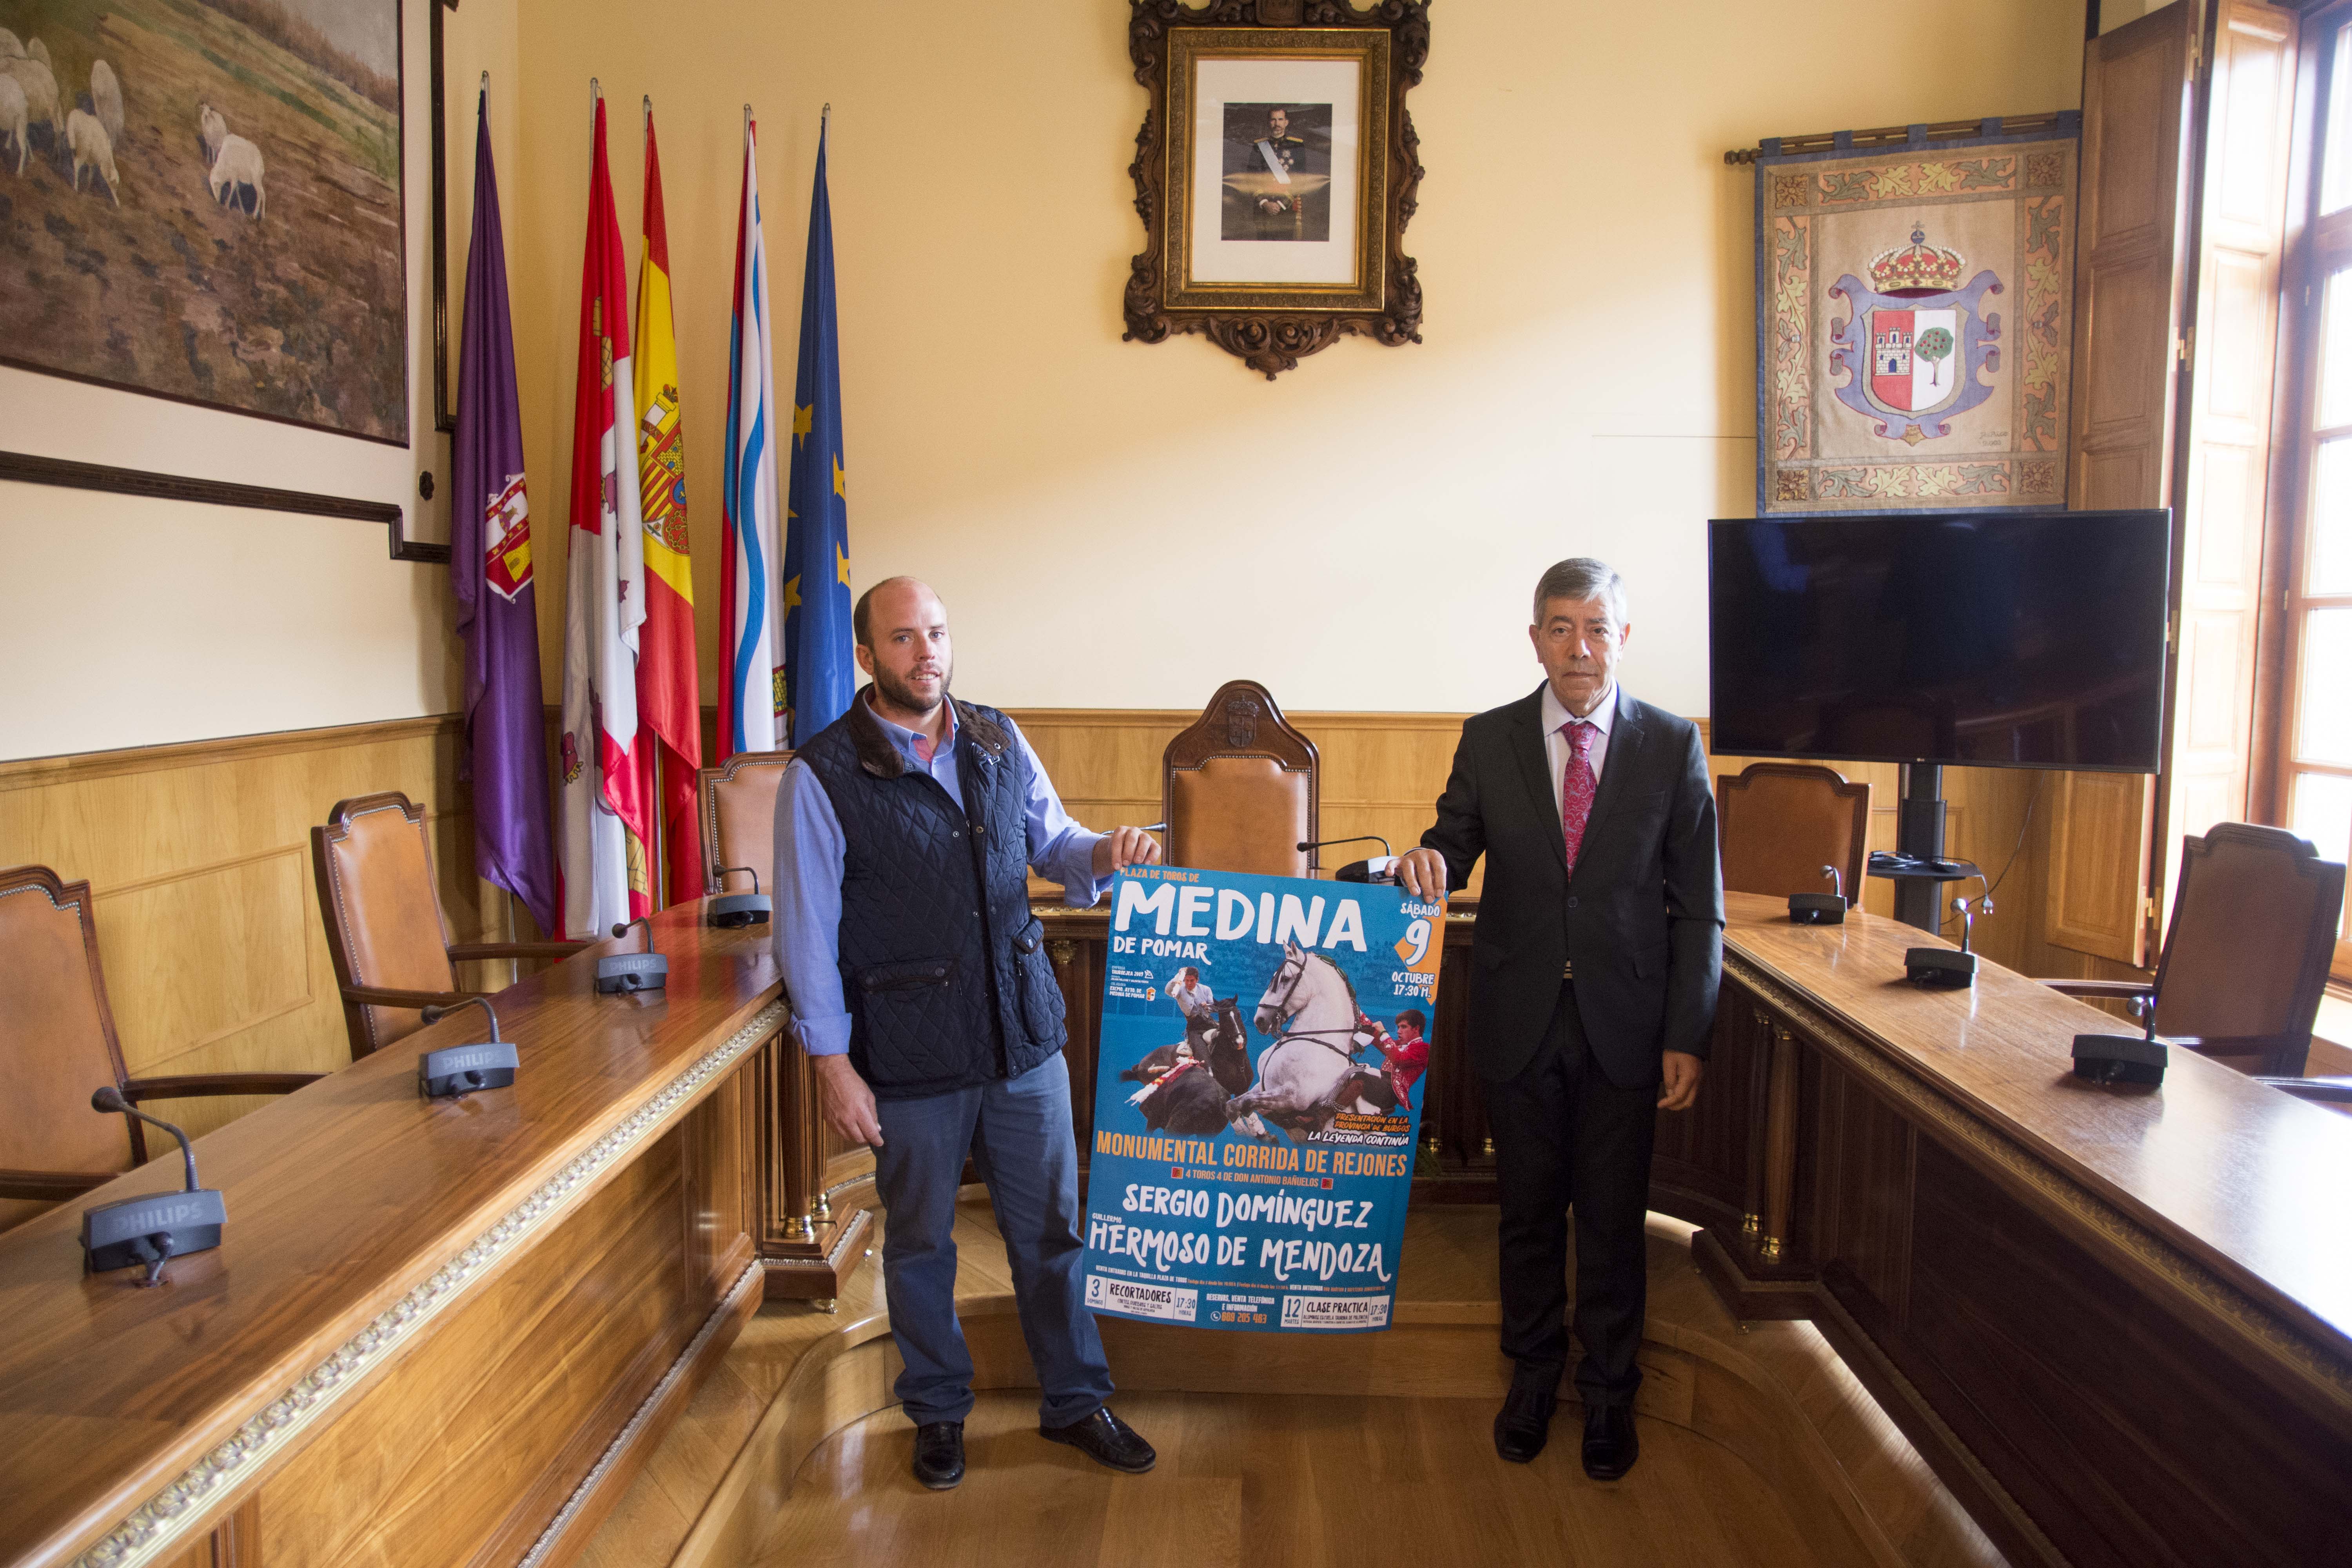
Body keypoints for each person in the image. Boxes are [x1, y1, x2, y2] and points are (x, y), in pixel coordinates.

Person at [774, 575, 1163, 1492]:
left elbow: (1054, 843)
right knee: (920, 1242)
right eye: (904, 638)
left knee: (1053, 1234)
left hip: (1022, 1036)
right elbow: (805, 933)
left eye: (938, 633)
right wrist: (832, 1064)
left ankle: (1075, 1399)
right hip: (908, 1052)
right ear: (869, 657)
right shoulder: (821, 773)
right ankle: (939, 1410)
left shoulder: (997, 734)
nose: (928, 653)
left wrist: (1107, 852)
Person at [1396, 557, 1722, 1479]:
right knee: (1529, 1214)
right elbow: (1451, 846)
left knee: (1615, 1221)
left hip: (1627, 1021)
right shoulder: (1490, 738)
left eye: (1597, 627)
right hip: (1517, 1013)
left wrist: (1686, 1030)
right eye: (1561, 627)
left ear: (1623, 636)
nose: (1580, 647)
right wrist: (1426, 861)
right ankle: (1534, 1376)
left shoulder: (1670, 744)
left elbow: (1700, 903)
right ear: (1535, 636)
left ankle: (1612, 1393)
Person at [1167, 965, 1216, 1057]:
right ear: (1184, 980)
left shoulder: (1206, 989)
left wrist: (1208, 1006)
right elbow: (1168, 991)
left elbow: (1213, 1007)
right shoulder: (1179, 989)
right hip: (1194, 1027)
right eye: (1187, 980)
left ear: (1197, 980)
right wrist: (1178, 976)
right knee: (1199, 1047)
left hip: (1209, 1023)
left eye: (1192, 981)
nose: (1189, 983)